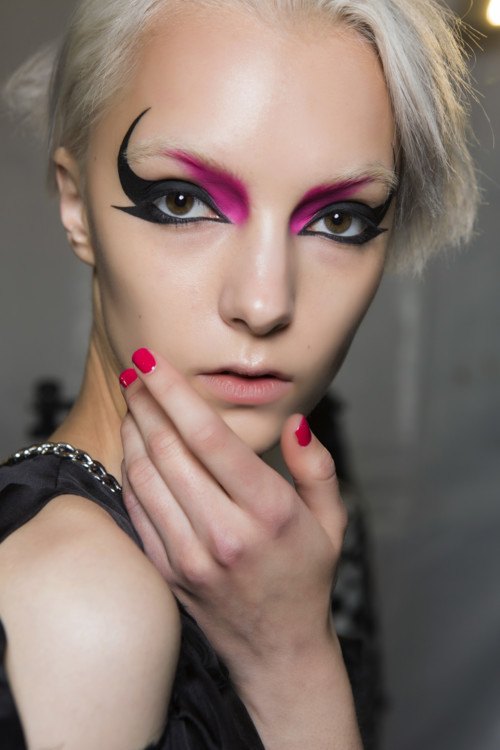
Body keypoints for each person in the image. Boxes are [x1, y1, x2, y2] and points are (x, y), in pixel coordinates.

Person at [0, 0, 478, 748]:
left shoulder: (245, 578)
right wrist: (293, 663)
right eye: (182, 201)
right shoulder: (83, 601)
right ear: (76, 204)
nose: (263, 303)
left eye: (339, 219)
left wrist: (293, 647)